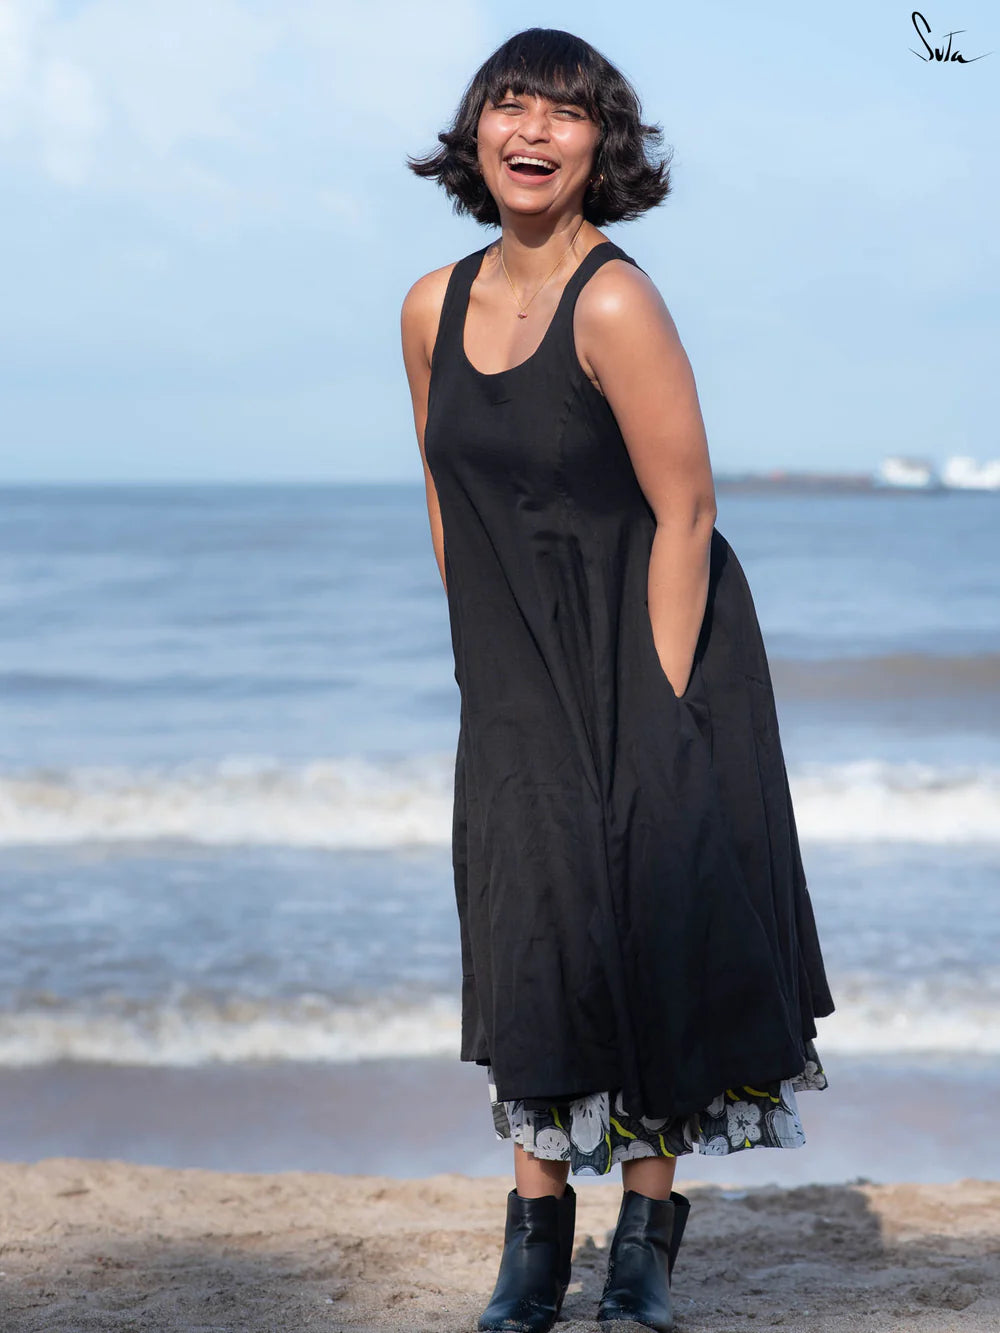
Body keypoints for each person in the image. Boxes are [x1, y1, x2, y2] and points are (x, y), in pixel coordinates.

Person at [400, 27, 835, 1333]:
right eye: (510, 105)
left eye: (564, 112)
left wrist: (656, 706)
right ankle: (537, 1236)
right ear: (476, 132)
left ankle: (644, 1240)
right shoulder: (430, 304)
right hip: (520, 671)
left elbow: (686, 509)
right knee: (531, 935)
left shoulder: (614, 300)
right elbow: (441, 488)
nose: (533, 130)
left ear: (604, 144)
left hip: (657, 652)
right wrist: (482, 662)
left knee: (649, 930)